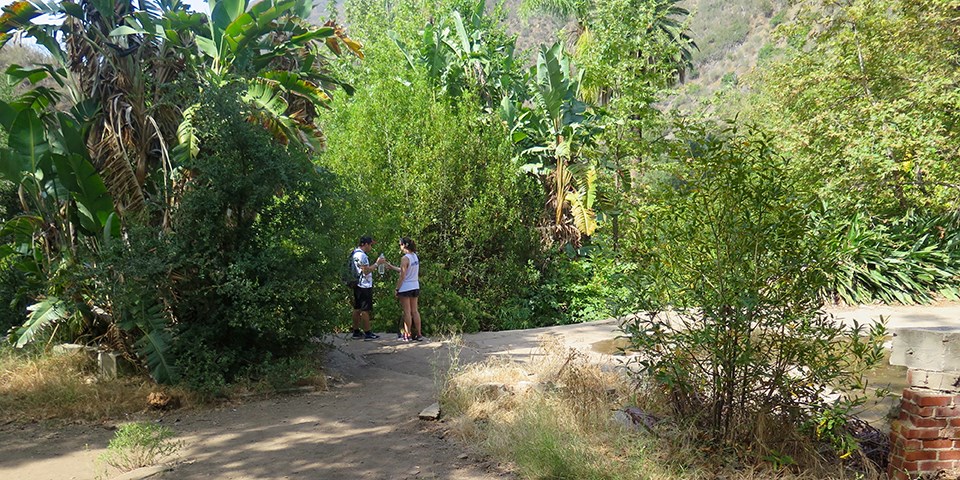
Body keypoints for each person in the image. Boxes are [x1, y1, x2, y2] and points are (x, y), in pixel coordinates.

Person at [350, 236, 385, 340]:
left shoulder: (354, 253)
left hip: (357, 284)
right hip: (364, 285)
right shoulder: (363, 256)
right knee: (365, 310)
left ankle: (356, 331)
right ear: (365, 244)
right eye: (370, 245)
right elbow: (366, 271)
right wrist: (377, 263)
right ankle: (368, 333)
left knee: (357, 308)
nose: (371, 247)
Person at [386, 237, 421, 341]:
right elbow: (405, 270)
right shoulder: (414, 256)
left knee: (407, 312)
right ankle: (419, 334)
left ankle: (407, 334)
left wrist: (397, 288)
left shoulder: (405, 258)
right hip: (415, 285)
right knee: (415, 311)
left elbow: (403, 275)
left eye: (400, 245)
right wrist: (392, 267)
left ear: (404, 245)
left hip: (406, 287)